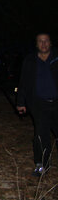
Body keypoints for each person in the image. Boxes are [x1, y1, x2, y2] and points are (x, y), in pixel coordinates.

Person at [16, 33, 58, 177]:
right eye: (40, 41)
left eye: (46, 41)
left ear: (50, 43)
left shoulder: (56, 58)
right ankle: (41, 166)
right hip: (39, 104)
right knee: (41, 136)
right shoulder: (30, 60)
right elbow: (23, 82)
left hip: (56, 102)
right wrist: (21, 102)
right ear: (36, 44)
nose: (43, 44)